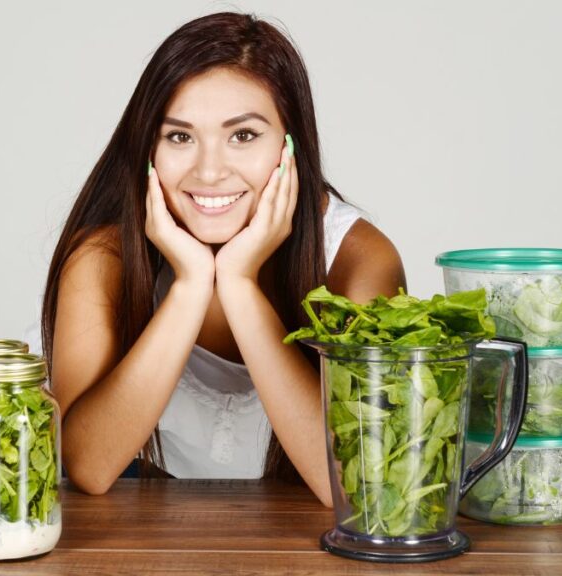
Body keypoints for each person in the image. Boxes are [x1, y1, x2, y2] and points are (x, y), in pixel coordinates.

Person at [41, 12, 404, 507]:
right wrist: (190, 285)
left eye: (244, 136)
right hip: (146, 519)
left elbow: (355, 485)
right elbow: (87, 465)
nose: (209, 171)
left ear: (289, 145)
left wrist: (239, 284)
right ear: (149, 147)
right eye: (180, 137)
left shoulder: (359, 262)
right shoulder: (104, 256)